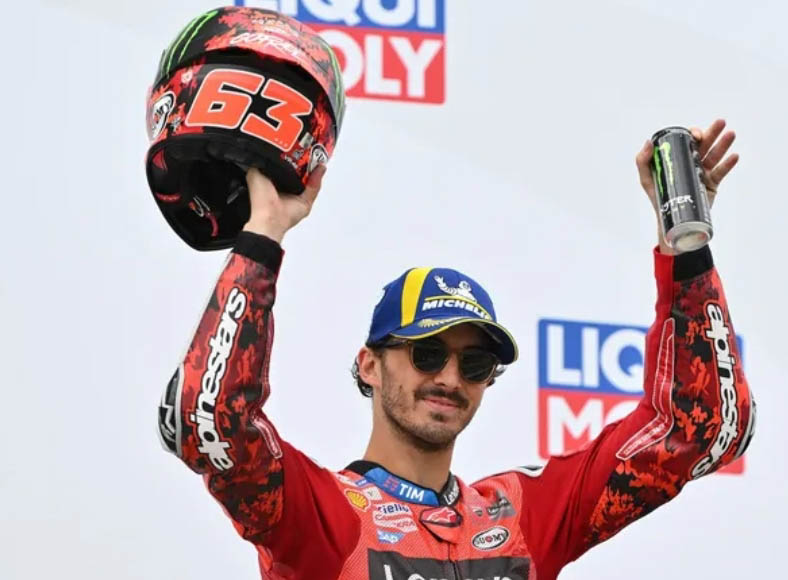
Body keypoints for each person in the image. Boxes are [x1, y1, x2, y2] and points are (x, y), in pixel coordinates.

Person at [157, 119, 756, 579]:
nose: (449, 377)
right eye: (426, 354)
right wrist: (264, 232)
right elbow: (205, 421)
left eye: (473, 363)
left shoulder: (521, 516)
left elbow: (696, 427)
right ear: (370, 364)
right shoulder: (320, 516)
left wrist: (686, 246)